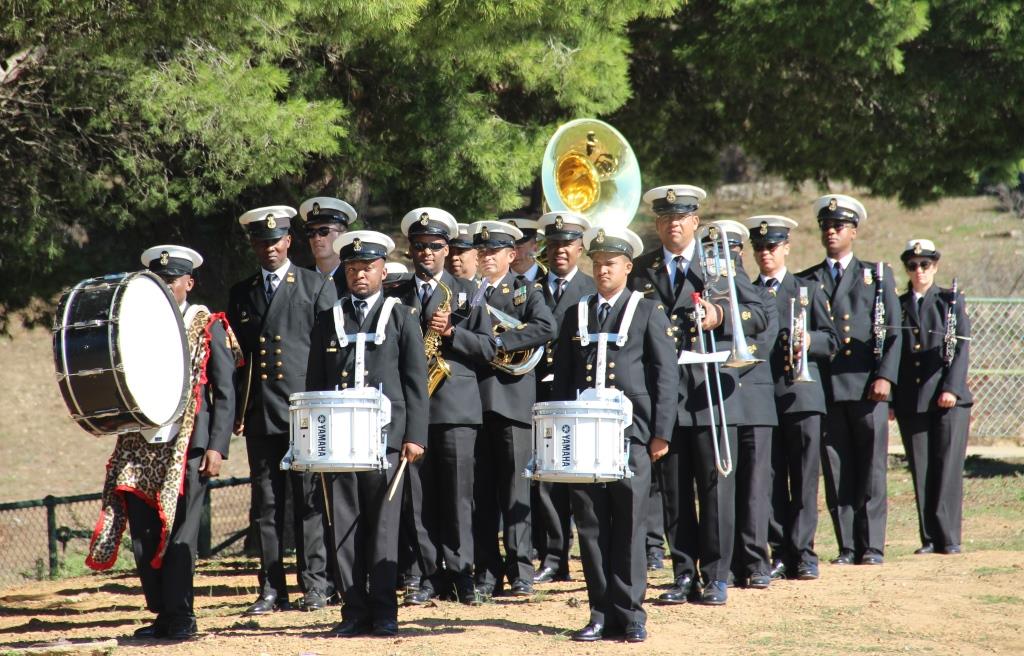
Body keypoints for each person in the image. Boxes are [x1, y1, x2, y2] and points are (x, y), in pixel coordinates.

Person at [86, 245, 240, 640]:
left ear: (189, 282)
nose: (166, 287)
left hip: (189, 445)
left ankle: (182, 615)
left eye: (172, 281)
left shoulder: (208, 325)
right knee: (144, 534)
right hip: (140, 446)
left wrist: (217, 446)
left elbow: (225, 391)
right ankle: (163, 613)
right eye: (159, 281)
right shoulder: (135, 326)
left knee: (181, 536)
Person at [628, 185, 768, 606]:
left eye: (682, 217)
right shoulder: (642, 268)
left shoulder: (718, 264)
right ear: (657, 224)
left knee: (714, 488)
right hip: (665, 394)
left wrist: (721, 314)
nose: (674, 223)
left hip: (710, 392)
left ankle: (716, 575)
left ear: (695, 223)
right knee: (673, 491)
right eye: (666, 217)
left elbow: (757, 313)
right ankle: (682, 573)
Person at [554, 226, 678, 643]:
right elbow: (564, 379)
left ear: (628, 267)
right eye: (598, 263)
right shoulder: (576, 311)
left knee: (628, 524)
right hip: (585, 439)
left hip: (631, 436)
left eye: (611, 263)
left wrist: (660, 433)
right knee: (590, 526)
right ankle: (599, 612)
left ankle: (631, 613)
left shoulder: (647, 311)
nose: (603, 269)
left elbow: (665, 376)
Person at [306, 230, 429, 637]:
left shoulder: (402, 316)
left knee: (383, 528)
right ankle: (353, 611)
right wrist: (311, 440)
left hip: (386, 440)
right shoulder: (328, 318)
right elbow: (315, 384)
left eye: (369, 267)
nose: (361, 274)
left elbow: (416, 384)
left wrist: (415, 436)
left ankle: (384, 611)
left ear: (382, 270)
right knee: (342, 527)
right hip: (338, 441)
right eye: (354, 267)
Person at [227, 206, 337, 614]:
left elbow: (331, 353)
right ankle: (271, 588)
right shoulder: (243, 292)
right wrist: (238, 412)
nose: (269, 248)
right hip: (261, 413)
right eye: (260, 242)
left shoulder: (314, 285)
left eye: (275, 241)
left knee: (309, 502)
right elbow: (239, 360)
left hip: (304, 410)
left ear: (289, 241)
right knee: (267, 506)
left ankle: (316, 584)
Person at [386, 208, 495, 606]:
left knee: (457, 496)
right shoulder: (395, 295)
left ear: (447, 248)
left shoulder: (468, 291)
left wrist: (452, 333)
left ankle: (461, 573)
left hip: (456, 407)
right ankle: (427, 574)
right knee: (418, 497)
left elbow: (488, 348)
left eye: (434, 246)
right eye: (419, 246)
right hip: (412, 410)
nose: (426, 252)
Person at [798, 194, 901, 566]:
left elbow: (893, 332)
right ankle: (847, 546)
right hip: (826, 388)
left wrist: (886, 376)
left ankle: (871, 545)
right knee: (837, 469)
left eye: (839, 226)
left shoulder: (876, 275)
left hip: (867, 385)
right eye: (826, 226)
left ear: (854, 232)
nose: (831, 232)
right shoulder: (807, 280)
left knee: (871, 469)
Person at [743, 215, 837, 581]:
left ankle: (804, 552)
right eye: (760, 248)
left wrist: (810, 340)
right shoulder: (749, 292)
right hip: (764, 398)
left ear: (786, 248)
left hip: (802, 395)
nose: (765, 253)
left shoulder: (807, 290)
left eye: (772, 247)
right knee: (768, 479)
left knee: (803, 479)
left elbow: (832, 340)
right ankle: (779, 549)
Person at [470, 220, 557, 599]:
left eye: (495, 252)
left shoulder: (525, 292)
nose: (488, 258)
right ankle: (487, 572)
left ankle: (521, 570)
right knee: (482, 494)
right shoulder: (465, 295)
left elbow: (545, 327)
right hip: (473, 403)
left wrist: (498, 343)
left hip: (511, 402)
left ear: (511, 255)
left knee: (515, 490)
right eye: (483, 252)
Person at [702, 219, 780, 590]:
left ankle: (756, 560)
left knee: (756, 486)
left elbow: (764, 342)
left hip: (757, 400)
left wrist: (726, 318)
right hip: (721, 398)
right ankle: (726, 561)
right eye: (718, 254)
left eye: (732, 253)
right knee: (724, 486)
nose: (725, 262)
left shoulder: (760, 294)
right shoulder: (703, 293)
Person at [893, 239, 972, 556]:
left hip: (947, 396)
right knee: (921, 467)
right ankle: (929, 537)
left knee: (948, 468)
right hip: (912, 398)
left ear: (935, 266)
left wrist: (951, 387)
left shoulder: (949, 301)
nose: (919, 271)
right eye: (913, 265)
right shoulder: (899, 305)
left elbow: (961, 346)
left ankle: (949, 536)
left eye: (925, 265)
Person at [531, 211, 596, 584]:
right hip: (539, 390)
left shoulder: (592, 286)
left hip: (578, 393)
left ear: (580, 248)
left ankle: (589, 554)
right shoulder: (532, 289)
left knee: (582, 478)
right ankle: (554, 556)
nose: (560, 251)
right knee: (547, 478)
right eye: (553, 244)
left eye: (567, 244)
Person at [299, 196, 358, 295]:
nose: (317, 238)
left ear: (342, 234)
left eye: (324, 231)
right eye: (311, 232)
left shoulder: (354, 280)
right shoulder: (300, 280)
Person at [504, 216, 546, 281]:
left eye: (519, 247)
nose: (513, 253)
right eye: (510, 248)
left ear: (535, 248)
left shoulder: (549, 281)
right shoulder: (497, 282)